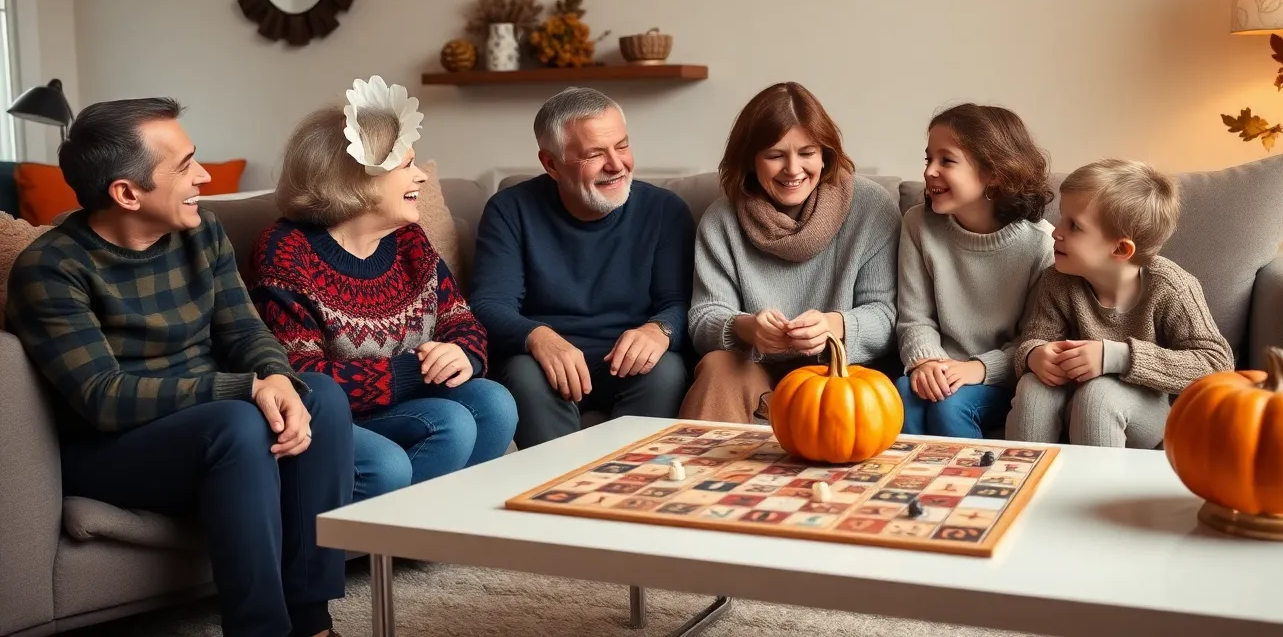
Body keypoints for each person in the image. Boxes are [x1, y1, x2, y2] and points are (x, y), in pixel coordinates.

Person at [5, 98, 351, 637]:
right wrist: (244, 387)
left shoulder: (201, 232)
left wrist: (278, 379)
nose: (204, 177)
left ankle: (312, 622)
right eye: (185, 166)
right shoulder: (50, 268)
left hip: (209, 421)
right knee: (236, 424)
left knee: (320, 395)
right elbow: (103, 397)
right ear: (127, 193)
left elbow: (244, 331)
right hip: (111, 447)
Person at [250, 76, 517, 501]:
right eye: (405, 166)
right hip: (332, 416)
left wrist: (461, 353)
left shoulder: (409, 240)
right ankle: (396, 530)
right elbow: (299, 375)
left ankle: (447, 522)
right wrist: (412, 372)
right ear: (356, 179)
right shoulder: (287, 251)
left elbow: (461, 321)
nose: (421, 177)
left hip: (403, 401)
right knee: (448, 424)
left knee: (495, 403)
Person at [471, 86, 695, 448]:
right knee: (523, 371)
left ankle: (632, 477)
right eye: (595, 154)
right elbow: (488, 305)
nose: (616, 165)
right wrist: (538, 337)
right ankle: (555, 479)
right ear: (551, 164)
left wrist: (660, 329)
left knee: (666, 369)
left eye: (622, 146)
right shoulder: (510, 210)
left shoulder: (665, 210)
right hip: (545, 368)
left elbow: (682, 303)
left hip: (630, 363)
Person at [679, 82, 900, 423]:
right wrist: (748, 328)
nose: (793, 169)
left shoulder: (872, 208)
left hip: (841, 377)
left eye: (807, 153)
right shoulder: (721, 219)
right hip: (754, 373)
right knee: (718, 366)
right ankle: (704, 460)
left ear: (826, 155)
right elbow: (703, 319)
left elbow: (886, 317)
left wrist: (833, 325)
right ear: (750, 160)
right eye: (775, 155)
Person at [1006, 159, 1234, 447]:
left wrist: (1117, 357)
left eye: (1074, 226)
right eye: (1062, 219)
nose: (1056, 231)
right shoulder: (1058, 280)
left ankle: (1097, 478)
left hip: (1144, 411)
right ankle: (1023, 474)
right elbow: (1035, 337)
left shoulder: (1171, 287)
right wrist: (1034, 354)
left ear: (1121, 248)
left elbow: (1217, 365)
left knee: (1098, 395)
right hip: (1071, 401)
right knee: (1033, 388)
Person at [895, 103, 1056, 439]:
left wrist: (978, 369)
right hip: (938, 367)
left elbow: (1034, 341)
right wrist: (926, 362)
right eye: (928, 159)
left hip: (1001, 378)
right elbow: (914, 318)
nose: (929, 171)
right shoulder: (918, 224)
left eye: (947, 161)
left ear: (994, 173)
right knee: (904, 392)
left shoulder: (1041, 244)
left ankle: (968, 474)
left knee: (950, 405)